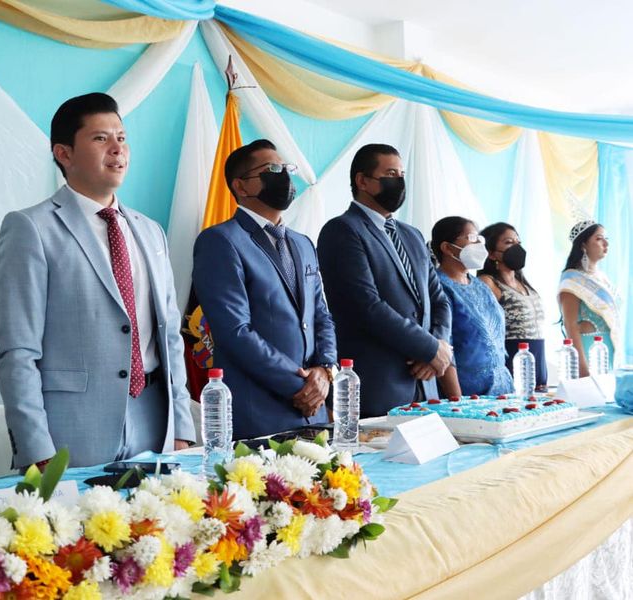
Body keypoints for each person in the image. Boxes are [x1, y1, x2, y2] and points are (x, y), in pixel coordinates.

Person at [0, 93, 195, 471]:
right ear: (64, 154)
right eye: (101, 138)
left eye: (122, 137)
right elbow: (18, 351)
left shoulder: (150, 231)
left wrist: (181, 426)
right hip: (70, 434)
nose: (117, 148)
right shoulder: (31, 228)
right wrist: (36, 447)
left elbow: (170, 338)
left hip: (155, 424)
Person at [192, 139, 337, 440]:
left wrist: (324, 370)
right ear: (241, 186)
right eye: (272, 169)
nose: (283, 175)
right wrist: (301, 386)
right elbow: (235, 331)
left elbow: (320, 315)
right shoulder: (220, 241)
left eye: (286, 168)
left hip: (314, 411)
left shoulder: (303, 243)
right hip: (260, 413)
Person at [317, 144, 452, 417]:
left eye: (402, 174)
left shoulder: (412, 235)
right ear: (362, 181)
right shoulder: (342, 230)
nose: (399, 181)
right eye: (390, 174)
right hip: (378, 386)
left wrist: (437, 347)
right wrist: (427, 348)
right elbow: (367, 306)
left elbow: (439, 300)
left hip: (426, 384)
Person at [431, 217, 513, 397]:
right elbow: (445, 347)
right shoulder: (439, 287)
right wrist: (457, 401)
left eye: (480, 239)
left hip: (502, 390)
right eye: (472, 238)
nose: (479, 245)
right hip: (467, 395)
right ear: (447, 248)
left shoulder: (481, 286)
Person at [478, 222, 548, 391]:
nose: (516, 247)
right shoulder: (488, 282)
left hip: (537, 362)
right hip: (513, 364)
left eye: (518, 242)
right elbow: (485, 331)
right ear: (491, 253)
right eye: (509, 242)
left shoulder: (524, 284)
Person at [558, 221, 623, 374]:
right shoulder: (572, 279)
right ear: (583, 245)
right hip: (588, 351)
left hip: (608, 349)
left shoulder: (603, 278)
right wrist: (582, 369)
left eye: (606, 238)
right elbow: (570, 325)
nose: (606, 243)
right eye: (599, 239)